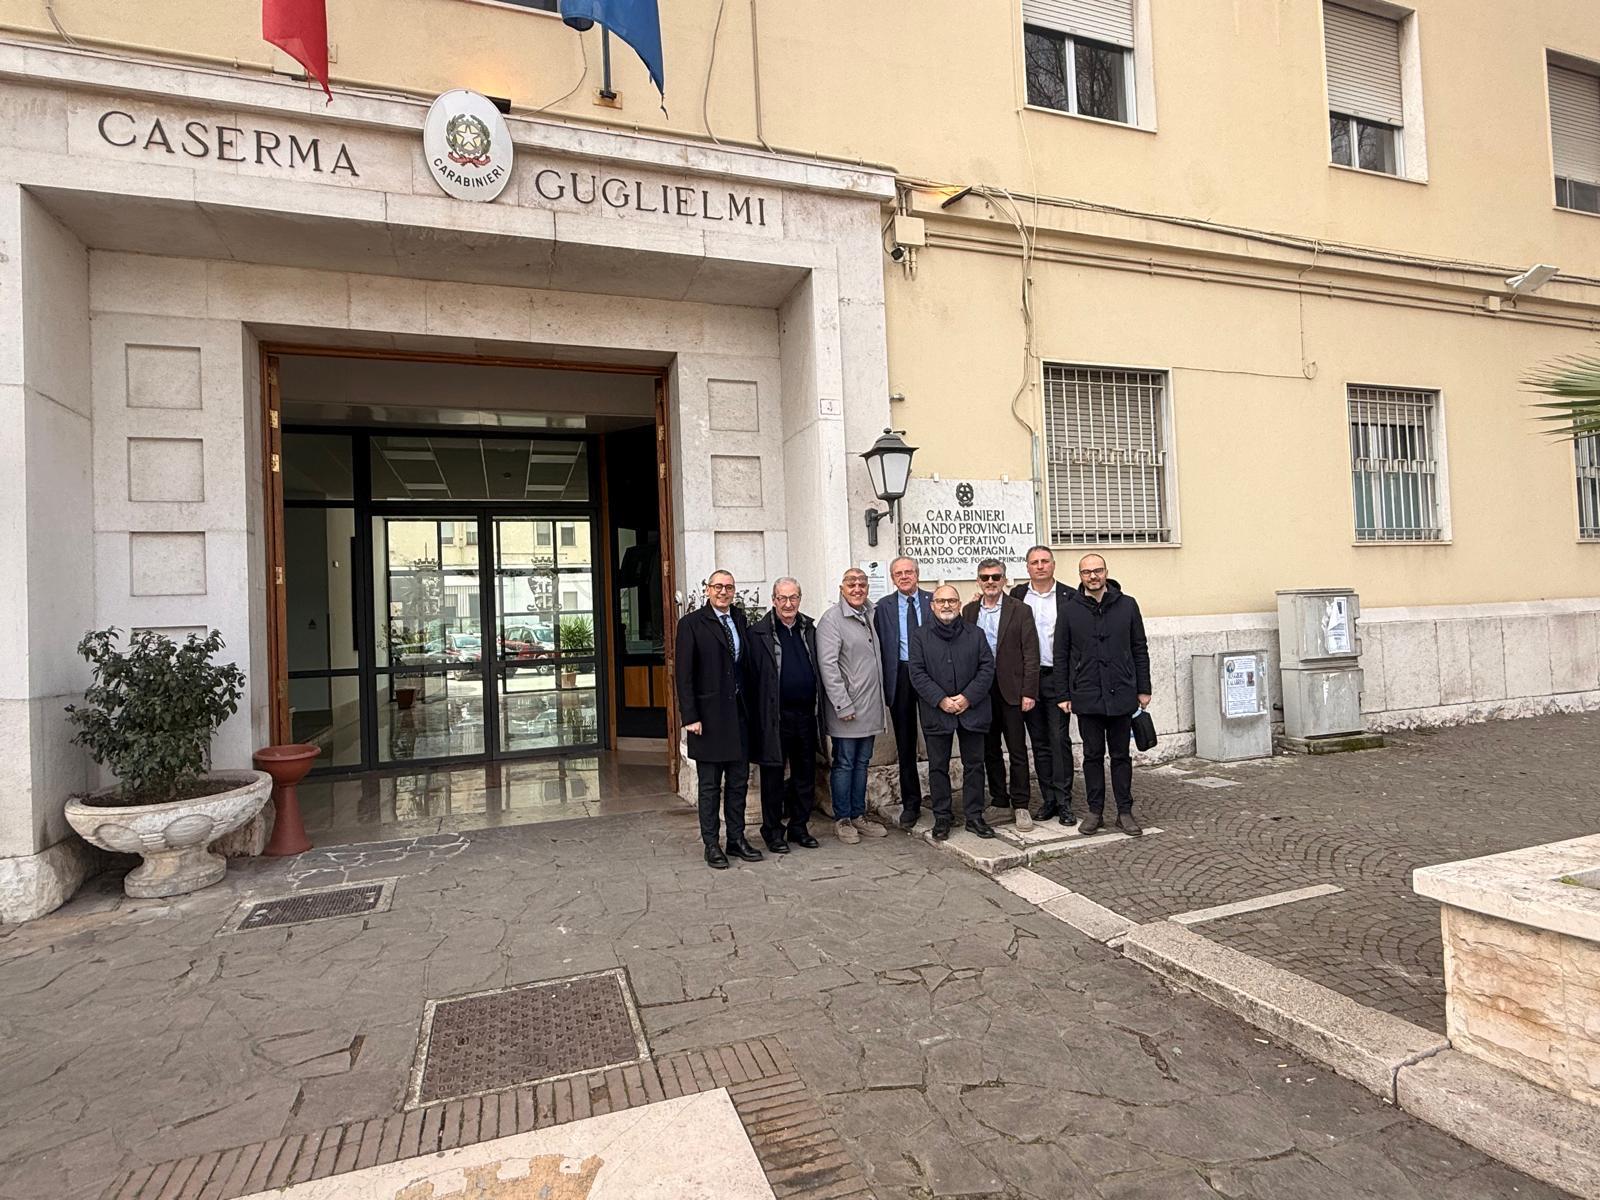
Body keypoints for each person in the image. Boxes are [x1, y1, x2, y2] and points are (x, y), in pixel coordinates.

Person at [1057, 554, 1153, 837]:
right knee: (1092, 755)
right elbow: (1061, 654)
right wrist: (1063, 693)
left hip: (1122, 692)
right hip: (1087, 694)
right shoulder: (1069, 610)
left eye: (1097, 570)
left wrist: (1144, 688)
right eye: (1086, 572)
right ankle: (1095, 811)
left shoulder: (1127, 605)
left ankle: (1124, 811)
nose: (1093, 576)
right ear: (1081, 576)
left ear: (1106, 572)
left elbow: (1139, 648)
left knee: (1121, 755)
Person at [676, 570, 764, 869]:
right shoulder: (691, 624)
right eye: (718, 587)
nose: (723, 592)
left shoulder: (739, 619)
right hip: (708, 718)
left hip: (738, 715)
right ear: (707, 590)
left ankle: (736, 839)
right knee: (710, 786)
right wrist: (690, 716)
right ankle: (711, 844)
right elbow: (684, 675)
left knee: (738, 782)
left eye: (728, 587)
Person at [908, 584, 997, 841]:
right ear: (932, 606)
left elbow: (987, 668)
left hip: (973, 710)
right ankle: (942, 817)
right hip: (937, 711)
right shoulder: (920, 636)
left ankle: (974, 816)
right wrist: (940, 700)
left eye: (952, 601)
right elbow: (917, 672)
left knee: (974, 765)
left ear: (959, 605)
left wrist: (968, 697)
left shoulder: (976, 634)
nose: (946, 605)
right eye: (941, 601)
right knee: (938, 767)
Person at [962, 559, 1040, 831]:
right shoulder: (969, 611)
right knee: (989, 749)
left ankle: (1021, 805)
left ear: (1004, 580)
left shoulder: (1020, 610)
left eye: (996, 577)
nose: (991, 582)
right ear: (978, 581)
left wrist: (1029, 691)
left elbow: (1031, 653)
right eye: (985, 577)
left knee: (1017, 749)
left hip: (1012, 690)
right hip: (981, 691)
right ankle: (999, 800)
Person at [746, 577, 822, 853]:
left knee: (805, 774)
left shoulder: (809, 629)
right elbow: (751, 679)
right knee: (773, 777)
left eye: (793, 598)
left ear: (800, 599)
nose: (788, 604)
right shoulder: (758, 634)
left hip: (806, 715)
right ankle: (772, 831)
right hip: (775, 718)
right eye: (783, 598)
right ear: (774, 600)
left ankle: (799, 827)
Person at [817, 567, 889, 844]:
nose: (857, 588)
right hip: (847, 708)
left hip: (870, 706)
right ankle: (843, 818)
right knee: (845, 763)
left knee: (862, 762)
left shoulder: (872, 613)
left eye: (862, 583)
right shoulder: (832, 620)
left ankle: (859, 814)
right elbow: (828, 666)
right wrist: (842, 704)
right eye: (851, 584)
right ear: (842, 588)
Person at [1011, 546, 1076, 827]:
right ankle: (1048, 798)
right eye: (1034, 562)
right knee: (1038, 743)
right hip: (1028, 680)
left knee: (1059, 740)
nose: (1040, 566)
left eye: (1044, 561)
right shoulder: (1016, 596)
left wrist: (1070, 685)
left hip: (1056, 677)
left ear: (1053, 565)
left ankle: (1064, 802)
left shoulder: (1070, 596)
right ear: (1027, 567)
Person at [873, 556, 933, 828]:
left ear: (917, 574)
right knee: (905, 745)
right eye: (899, 573)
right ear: (892, 578)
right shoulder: (883, 607)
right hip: (900, 676)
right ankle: (911, 804)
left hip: (931, 676)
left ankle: (942, 802)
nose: (904, 576)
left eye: (909, 572)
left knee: (936, 740)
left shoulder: (933, 600)